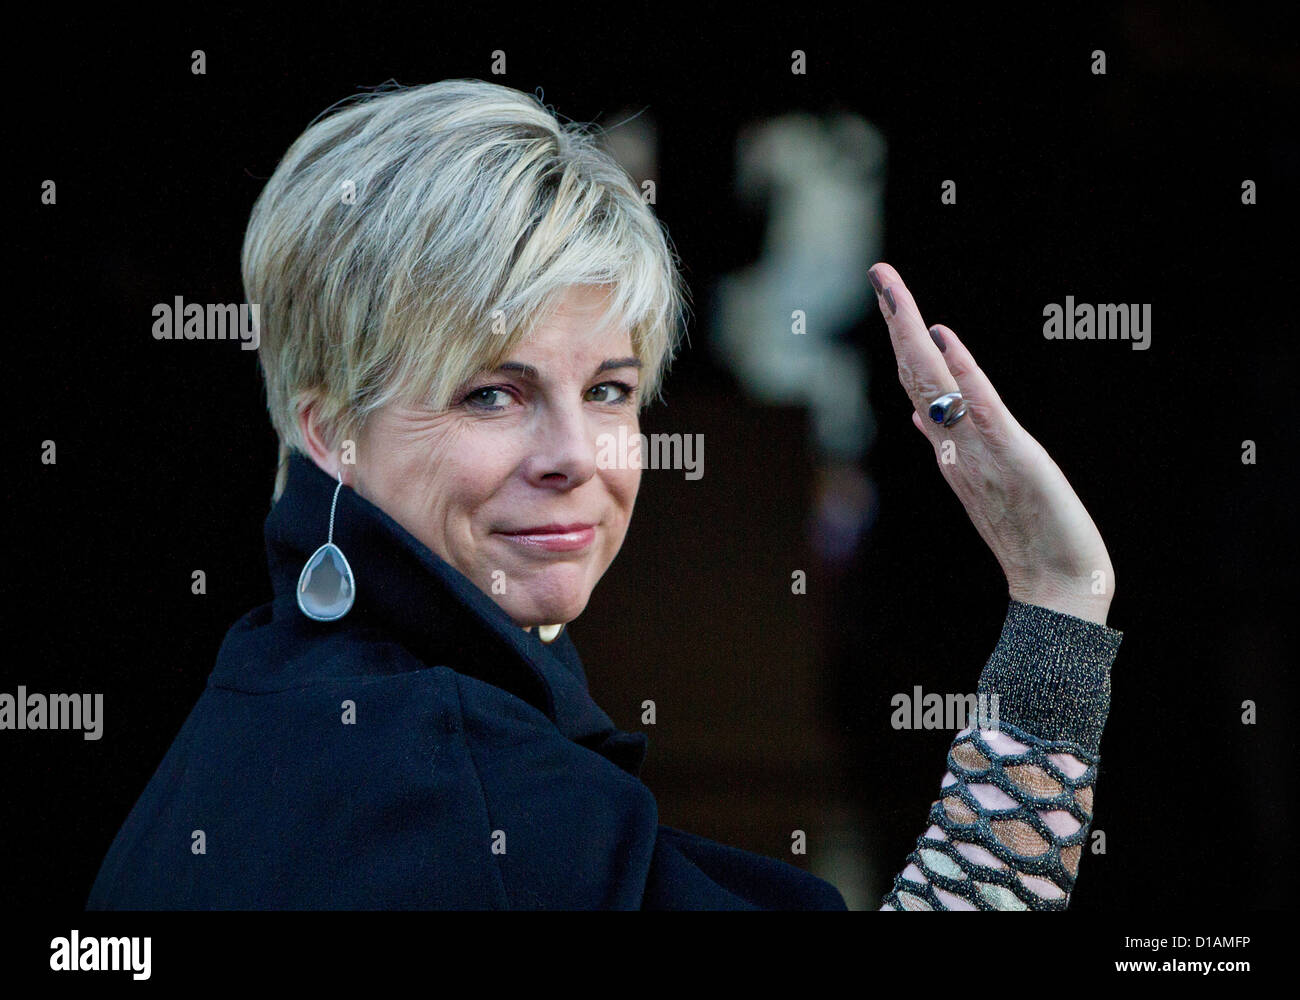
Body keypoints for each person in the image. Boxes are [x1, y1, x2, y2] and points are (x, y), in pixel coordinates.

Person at [86, 78, 1122, 911]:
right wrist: (1057, 599)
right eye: (492, 392)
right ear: (328, 430)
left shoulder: (269, 695)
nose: (575, 454)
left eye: (610, 390)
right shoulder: (458, 787)